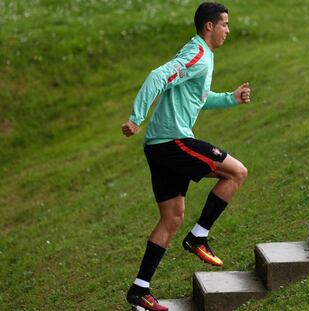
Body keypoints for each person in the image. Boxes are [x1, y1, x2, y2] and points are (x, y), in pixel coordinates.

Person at [122, 2, 251, 310]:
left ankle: (140, 288)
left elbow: (198, 99)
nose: (228, 31)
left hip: (159, 145)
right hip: (172, 141)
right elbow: (157, 76)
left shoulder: (201, 56)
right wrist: (135, 117)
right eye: (224, 25)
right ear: (209, 26)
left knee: (171, 218)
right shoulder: (196, 55)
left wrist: (230, 99)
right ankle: (199, 237)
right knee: (237, 172)